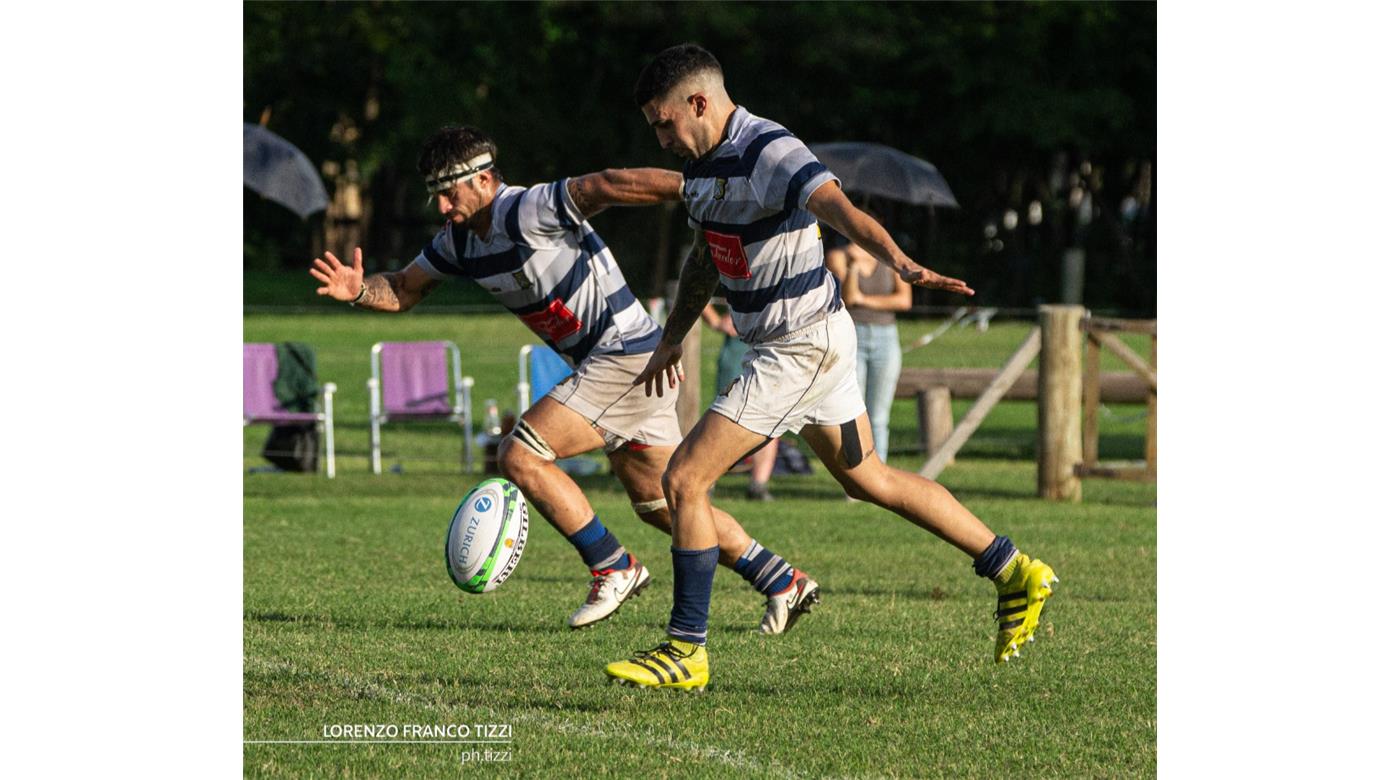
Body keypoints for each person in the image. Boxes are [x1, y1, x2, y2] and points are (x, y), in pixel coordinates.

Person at [604, 45, 1057, 691]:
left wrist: (899, 261)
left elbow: (837, 207)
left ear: (698, 103)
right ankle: (1013, 569)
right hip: (807, 343)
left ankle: (685, 650)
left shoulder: (769, 148)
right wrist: (674, 336)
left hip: (799, 348)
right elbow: (706, 257)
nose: (660, 137)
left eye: (663, 122)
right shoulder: (703, 172)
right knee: (869, 478)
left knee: (683, 481)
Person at [309, 125, 819, 635]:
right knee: (665, 507)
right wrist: (359, 291)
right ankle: (781, 579)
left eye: (449, 193)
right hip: (624, 365)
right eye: (435, 196)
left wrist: (702, 190)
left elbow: (606, 184)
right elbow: (402, 288)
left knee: (520, 454)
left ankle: (613, 566)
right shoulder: (460, 243)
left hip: (623, 357)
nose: (442, 207)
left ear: (484, 179)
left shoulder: (525, 209)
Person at [825, 230, 913, 464]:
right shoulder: (837, 257)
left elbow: (904, 300)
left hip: (886, 338)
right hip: (852, 336)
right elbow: (848, 297)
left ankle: (880, 472)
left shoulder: (889, 259)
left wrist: (865, 301)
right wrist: (853, 267)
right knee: (852, 412)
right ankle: (856, 473)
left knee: (879, 416)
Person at [700, 302, 778, 500]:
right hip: (739, 342)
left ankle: (758, 485)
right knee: (724, 416)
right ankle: (706, 481)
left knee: (772, 415)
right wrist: (717, 321)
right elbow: (697, 285)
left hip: (775, 340)